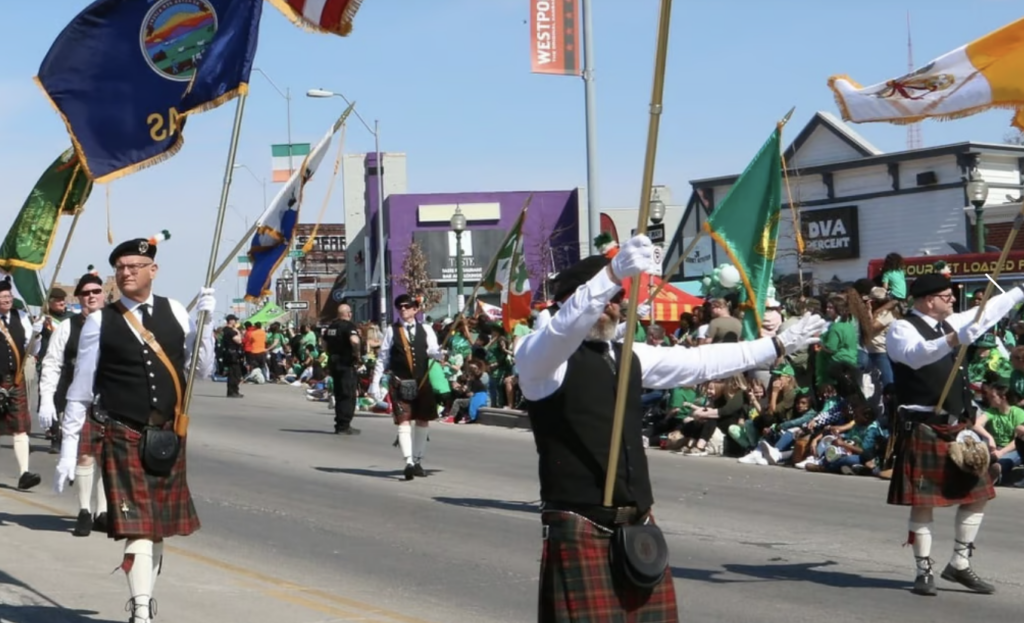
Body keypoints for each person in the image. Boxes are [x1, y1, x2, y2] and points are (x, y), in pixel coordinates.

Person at [514, 235, 825, 622]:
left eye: (617, 298)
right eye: (607, 298)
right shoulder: (538, 356)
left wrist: (774, 346)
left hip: (636, 524)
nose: (615, 306)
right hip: (580, 523)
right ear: (573, 299)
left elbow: (700, 362)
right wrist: (610, 273)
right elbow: (564, 329)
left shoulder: (626, 353)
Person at [54, 233, 217, 623]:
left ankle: (145, 601)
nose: (126, 273)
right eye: (120, 268)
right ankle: (141, 612)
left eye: (134, 267)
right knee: (139, 529)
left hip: (167, 436)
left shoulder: (176, 311)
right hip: (125, 434)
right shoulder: (98, 321)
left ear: (153, 271)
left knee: (156, 528)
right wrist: (66, 451)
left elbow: (204, 370)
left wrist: (205, 328)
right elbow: (80, 391)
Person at [886, 271, 1024, 596]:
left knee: (979, 496)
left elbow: (987, 311)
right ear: (928, 299)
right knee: (923, 504)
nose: (952, 300)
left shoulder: (950, 322)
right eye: (946, 296)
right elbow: (916, 356)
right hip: (924, 426)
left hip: (958, 426)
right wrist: (954, 339)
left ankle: (959, 563)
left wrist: (1019, 292)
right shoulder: (901, 328)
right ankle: (924, 571)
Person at [38, 266, 107, 536]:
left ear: (104, 294)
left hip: (111, 400)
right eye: (85, 293)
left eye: (96, 292)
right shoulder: (67, 326)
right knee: (85, 456)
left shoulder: (118, 322)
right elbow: (52, 363)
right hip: (78, 400)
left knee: (107, 459)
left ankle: (102, 512)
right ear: (78, 299)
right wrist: (46, 400)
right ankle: (84, 511)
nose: (91, 296)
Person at [370, 293, 444, 480]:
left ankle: (418, 460)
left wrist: (439, 354)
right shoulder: (391, 331)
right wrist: (375, 382)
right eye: (399, 307)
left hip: (422, 382)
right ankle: (408, 462)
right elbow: (383, 358)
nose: (402, 309)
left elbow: (432, 350)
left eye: (406, 306)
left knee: (422, 420)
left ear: (415, 309)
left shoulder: (426, 329)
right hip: (400, 382)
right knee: (403, 420)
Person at [0, 276, 42, 490]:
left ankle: (24, 473)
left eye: (8, 295)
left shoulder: (22, 316)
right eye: (2, 296)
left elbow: (32, 350)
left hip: (14, 380)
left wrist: (37, 334)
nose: (7, 299)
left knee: (20, 428)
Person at [36, 287, 74, 452]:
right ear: (49, 302)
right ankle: (55, 436)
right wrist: (36, 331)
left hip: (69, 365)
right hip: (49, 365)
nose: (62, 302)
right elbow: (34, 344)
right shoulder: (43, 320)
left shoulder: (71, 318)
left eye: (63, 299)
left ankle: (67, 435)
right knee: (51, 401)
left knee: (67, 404)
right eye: (58, 300)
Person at [323, 303, 361, 435]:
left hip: (334, 363)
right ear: (348, 313)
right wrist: (357, 354)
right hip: (346, 363)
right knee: (348, 394)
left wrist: (331, 353)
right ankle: (345, 425)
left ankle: (339, 423)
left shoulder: (331, 327)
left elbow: (324, 344)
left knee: (339, 394)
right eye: (350, 312)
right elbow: (355, 341)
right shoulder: (348, 326)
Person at [221, 314, 244, 398]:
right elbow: (238, 341)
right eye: (235, 320)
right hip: (232, 354)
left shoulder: (225, 330)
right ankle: (232, 391)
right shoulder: (230, 331)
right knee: (234, 374)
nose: (236, 322)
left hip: (230, 353)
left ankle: (234, 391)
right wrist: (238, 332)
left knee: (234, 373)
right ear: (231, 320)